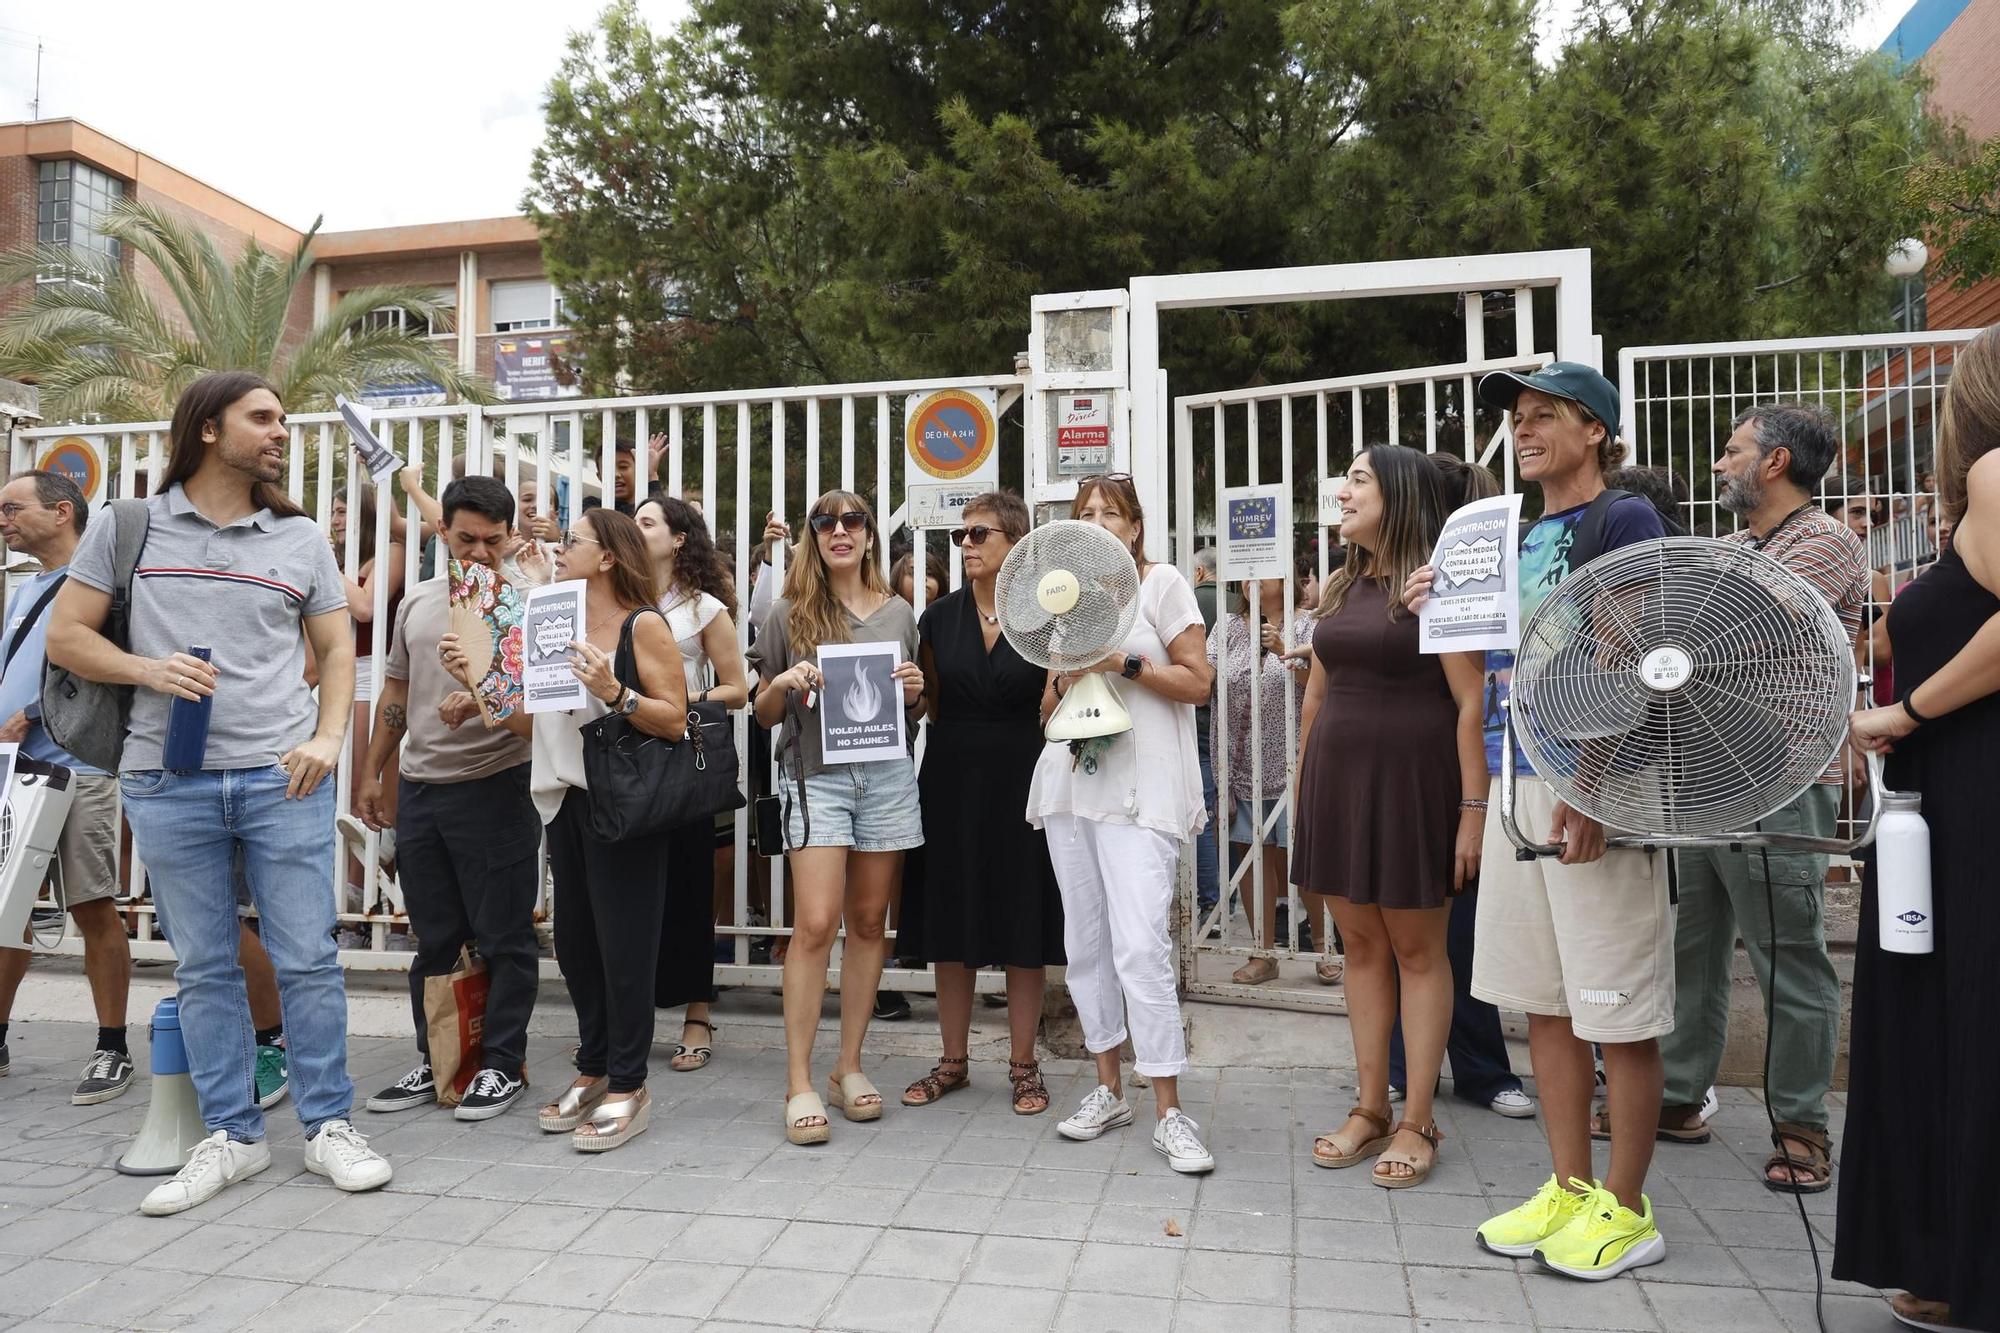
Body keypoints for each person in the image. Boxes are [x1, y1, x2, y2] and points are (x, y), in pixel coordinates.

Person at [47, 370, 391, 1215]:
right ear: (207, 427)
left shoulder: (300, 538)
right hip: (167, 779)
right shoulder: (130, 526)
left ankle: (327, 1127)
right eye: (263, 417)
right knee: (203, 965)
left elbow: (338, 650)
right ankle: (232, 1135)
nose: (280, 431)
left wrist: (326, 737)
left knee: (308, 957)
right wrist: (146, 668)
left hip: (282, 776)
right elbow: (66, 636)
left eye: (283, 419)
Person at [1405, 363, 1671, 1278]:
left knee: (1615, 1005)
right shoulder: (1516, 533)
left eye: (1544, 416)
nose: (1522, 430)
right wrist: (1437, 607)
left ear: (1595, 431)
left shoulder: (1622, 518)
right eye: (1516, 418)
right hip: (1518, 773)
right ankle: (1568, 1186)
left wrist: (1591, 784)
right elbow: (1486, 664)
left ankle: (1629, 1209)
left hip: (1591, 780)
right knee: (1548, 1006)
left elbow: (1631, 656)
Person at [1634, 404, 1867, 1192]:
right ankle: (1675, 1096)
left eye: (1732, 451)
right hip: (1706, 772)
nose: (1718, 464)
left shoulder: (1828, 540)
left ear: (1774, 463)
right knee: (1691, 945)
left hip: (1783, 774)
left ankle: (1802, 1124)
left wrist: (1678, 612)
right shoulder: (1733, 546)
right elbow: (1667, 625)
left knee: (1788, 952)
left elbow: (1732, 621)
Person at [1838, 323, 2000, 1333]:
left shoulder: (1992, 467)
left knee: (1966, 1022)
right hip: (1947, 796)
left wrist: (1905, 711)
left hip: (1973, 795)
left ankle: (1958, 1265)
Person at [450, 508, 689, 1151]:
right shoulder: (551, 620)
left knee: (625, 947)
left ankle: (630, 1083)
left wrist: (616, 693)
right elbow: (537, 725)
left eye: (572, 541)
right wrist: (479, 683)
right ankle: (594, 1067)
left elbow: (676, 721)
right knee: (579, 946)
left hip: (624, 804)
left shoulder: (644, 626)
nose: (557, 549)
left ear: (607, 556)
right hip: (563, 800)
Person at [1292, 446, 1486, 1189]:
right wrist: (1308, 785)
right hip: (1339, 783)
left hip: (1414, 784)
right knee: (1362, 947)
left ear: (1398, 495)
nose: (1342, 490)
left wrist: (1473, 812)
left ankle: (1418, 1118)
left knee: (1417, 952)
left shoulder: (1437, 586)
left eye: (1359, 480)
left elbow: (1471, 702)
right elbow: (1316, 693)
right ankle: (1370, 1106)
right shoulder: (1342, 584)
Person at [1027, 474, 1218, 1173]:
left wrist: (1124, 661)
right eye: (1086, 514)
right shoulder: (1065, 600)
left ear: (1136, 527)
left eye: (1112, 512)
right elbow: (1045, 714)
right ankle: (1109, 1087)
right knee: (1086, 944)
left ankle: (1169, 1107)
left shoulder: (1162, 584)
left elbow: (1200, 680)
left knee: (1141, 946)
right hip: (1074, 787)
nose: (1099, 522)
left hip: (1142, 789)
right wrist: (1065, 671)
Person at [357, 477, 540, 1122]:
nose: (480, 553)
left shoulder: (529, 604)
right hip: (421, 788)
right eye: (467, 539)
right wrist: (373, 772)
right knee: (434, 938)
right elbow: (396, 696)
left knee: (503, 935)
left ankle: (500, 1064)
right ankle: (438, 1057)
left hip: (497, 786)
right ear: (445, 533)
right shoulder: (417, 604)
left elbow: (541, 714)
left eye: (494, 541)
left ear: (509, 536)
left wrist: (485, 685)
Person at [751, 491, 923, 1145]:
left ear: (871, 535)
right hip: (814, 776)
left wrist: (916, 692)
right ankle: (799, 1078)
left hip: (884, 776)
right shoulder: (788, 612)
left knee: (871, 921)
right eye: (827, 523)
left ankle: (848, 1064)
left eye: (853, 521)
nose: (841, 531)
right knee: (816, 923)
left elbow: (912, 711)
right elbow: (762, 712)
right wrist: (782, 683)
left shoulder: (901, 614)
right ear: (813, 537)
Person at [901, 492, 1064, 1116]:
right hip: (951, 776)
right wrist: (912, 697)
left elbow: (1054, 708)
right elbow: (930, 704)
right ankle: (953, 1061)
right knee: (953, 923)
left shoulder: (1046, 616)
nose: (965, 544)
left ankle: (1025, 1066)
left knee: (1024, 921)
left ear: (1014, 541)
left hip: (1025, 775)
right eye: (961, 535)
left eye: (979, 534)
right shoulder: (938, 619)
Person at [1386, 453, 1532, 1119]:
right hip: (1412, 772)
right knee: (1413, 933)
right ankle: (1401, 1066)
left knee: (1461, 929)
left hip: (1463, 769)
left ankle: (1477, 1067)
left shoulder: (1479, 574)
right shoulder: (1392, 574)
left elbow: (1475, 692)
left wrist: (1474, 804)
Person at [0, 470, 134, 1105]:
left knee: (91, 907)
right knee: (8, 913)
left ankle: (112, 1047)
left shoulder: (97, 584)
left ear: (61, 512)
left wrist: (30, 710)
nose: (3, 519)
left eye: (12, 508)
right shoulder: (24, 589)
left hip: (76, 768)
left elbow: (99, 666)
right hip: (18, 773)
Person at [635, 495, 749, 1072]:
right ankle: (628, 1019)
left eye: (649, 522)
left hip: (682, 761)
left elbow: (738, 688)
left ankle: (698, 1013)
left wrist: (684, 701)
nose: (637, 528)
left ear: (680, 538)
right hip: (624, 761)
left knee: (689, 886)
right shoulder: (617, 598)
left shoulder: (704, 607)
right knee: (629, 891)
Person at [1205, 559, 1310, 984]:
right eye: (1244, 570)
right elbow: (1205, 677)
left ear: (1287, 578)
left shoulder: (1308, 624)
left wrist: (1283, 646)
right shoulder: (1227, 626)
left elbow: (1319, 682)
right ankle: (1262, 951)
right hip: (1241, 762)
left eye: (1262, 569)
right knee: (1250, 854)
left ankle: (1325, 946)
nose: (1251, 579)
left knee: (1304, 854)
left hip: (1294, 760)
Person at [1190, 546, 1222, 925]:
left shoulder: (1192, 601)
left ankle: (1211, 903)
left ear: (1199, 572)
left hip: (1198, 720)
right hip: (1240, 723)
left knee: (1204, 815)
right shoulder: (1241, 603)